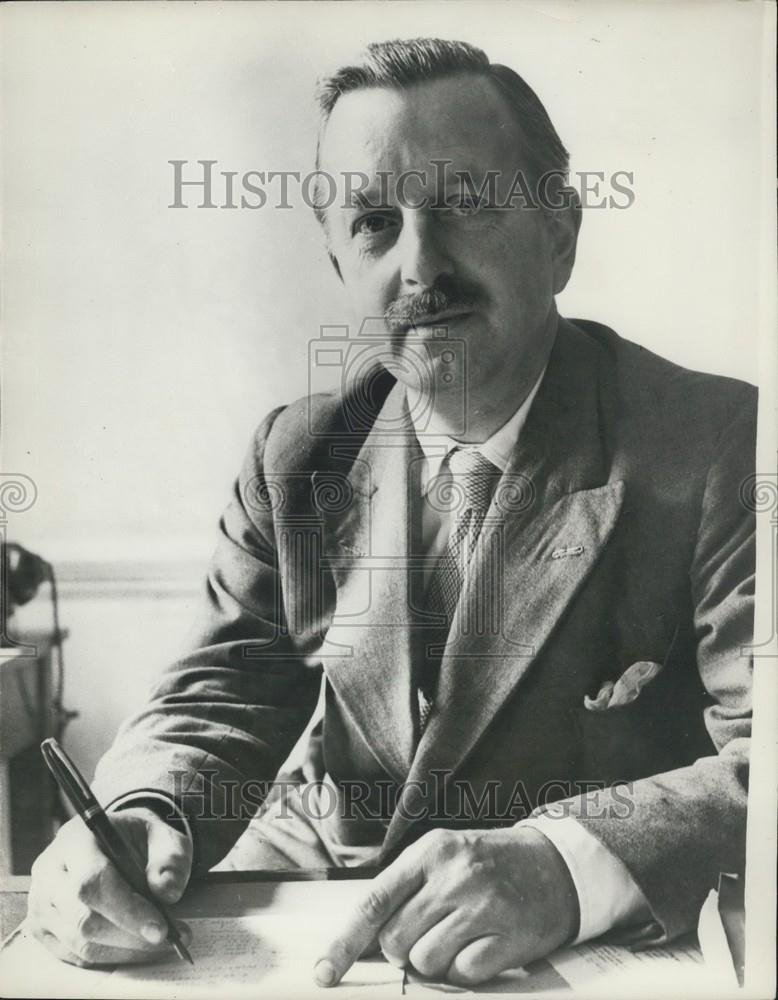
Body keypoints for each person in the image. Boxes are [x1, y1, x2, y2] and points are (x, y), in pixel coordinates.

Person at [27, 38, 755, 988]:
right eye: (376, 222)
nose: (421, 265)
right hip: (312, 903)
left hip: (571, 948)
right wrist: (141, 813)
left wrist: (565, 861)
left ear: (561, 233)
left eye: (463, 206)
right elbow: (222, 691)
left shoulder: (720, 442)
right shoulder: (297, 453)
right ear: (339, 262)